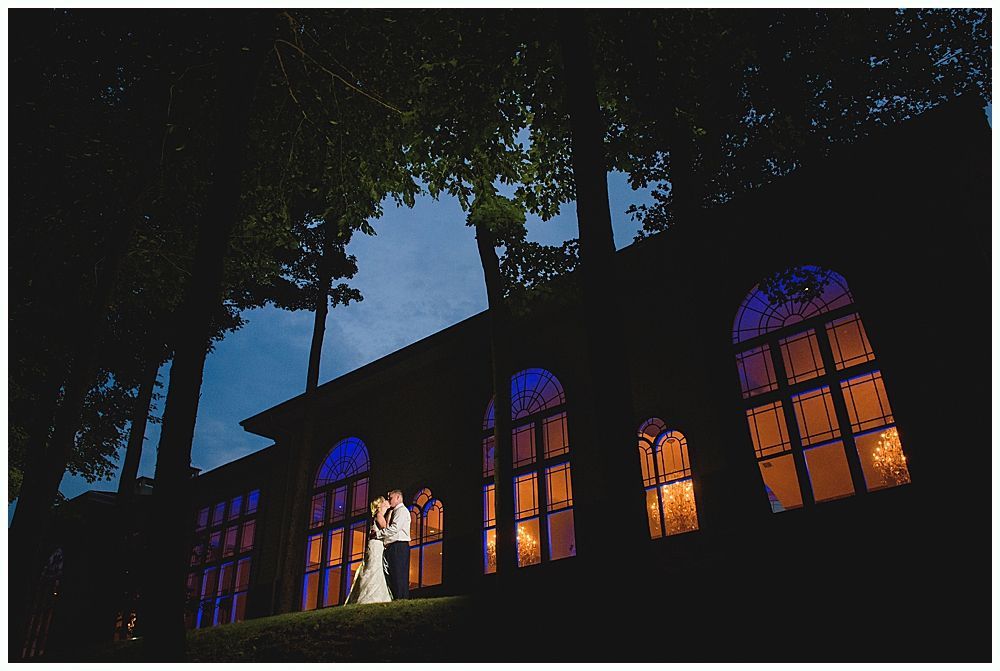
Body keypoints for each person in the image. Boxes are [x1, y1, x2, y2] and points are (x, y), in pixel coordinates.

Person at [343, 496, 393, 605]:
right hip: (376, 546)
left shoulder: (377, 516)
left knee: (374, 567)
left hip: (376, 545)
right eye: (384, 501)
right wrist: (389, 516)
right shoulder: (379, 515)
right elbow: (386, 529)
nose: (387, 502)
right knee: (375, 567)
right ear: (380, 505)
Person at [375, 489, 411, 600]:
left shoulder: (401, 511)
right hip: (394, 545)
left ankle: (401, 598)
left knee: (399, 573)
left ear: (398, 498)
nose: (389, 500)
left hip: (399, 545)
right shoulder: (395, 511)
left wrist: (378, 534)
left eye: (391, 498)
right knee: (395, 573)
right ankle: (398, 598)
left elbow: (395, 528)